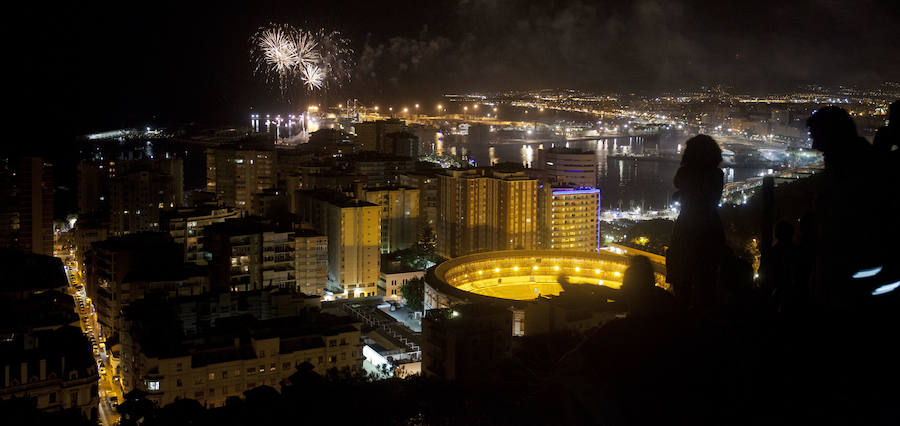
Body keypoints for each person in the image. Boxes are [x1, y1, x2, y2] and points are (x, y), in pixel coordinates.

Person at [666, 135, 727, 309]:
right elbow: (708, 198)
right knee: (707, 280)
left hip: (687, 226)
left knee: (682, 278)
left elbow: (678, 184)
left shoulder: (685, 173)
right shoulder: (717, 175)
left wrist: (682, 194)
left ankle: (683, 319)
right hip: (711, 227)